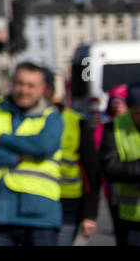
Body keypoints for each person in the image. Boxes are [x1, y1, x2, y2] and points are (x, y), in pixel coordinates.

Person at [0, 62, 64, 246]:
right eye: (20, 83)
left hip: (40, 214)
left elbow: (43, 147)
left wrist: (4, 139)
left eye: (31, 86)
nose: (24, 90)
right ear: (12, 82)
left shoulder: (52, 118)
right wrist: (19, 156)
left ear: (42, 88)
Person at [53, 87, 100, 245]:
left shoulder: (76, 121)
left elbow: (91, 170)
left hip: (68, 203)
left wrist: (90, 214)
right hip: (33, 203)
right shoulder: (24, 119)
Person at [98, 82, 140, 247]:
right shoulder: (114, 128)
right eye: (137, 113)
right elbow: (110, 169)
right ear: (130, 109)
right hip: (131, 219)